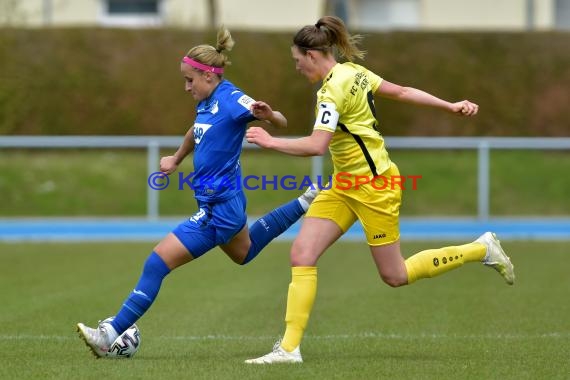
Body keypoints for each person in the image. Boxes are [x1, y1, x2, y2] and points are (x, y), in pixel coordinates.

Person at [244, 16, 515, 364]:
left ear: (312, 55)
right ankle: (289, 349)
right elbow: (401, 91)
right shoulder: (354, 72)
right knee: (302, 254)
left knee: (395, 275)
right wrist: (449, 105)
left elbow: (316, 145)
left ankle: (481, 249)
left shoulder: (331, 90)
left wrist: (270, 142)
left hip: (375, 186)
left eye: (297, 61)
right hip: (344, 184)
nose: (297, 68)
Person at [76, 26, 318, 358]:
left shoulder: (232, 99)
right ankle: (304, 202)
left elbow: (282, 121)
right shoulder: (206, 102)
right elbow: (195, 130)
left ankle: (111, 333)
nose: (186, 86)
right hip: (224, 205)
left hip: (219, 208)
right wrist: (176, 159)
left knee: (156, 263)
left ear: (208, 76)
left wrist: (269, 115)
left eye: (190, 80)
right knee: (243, 253)